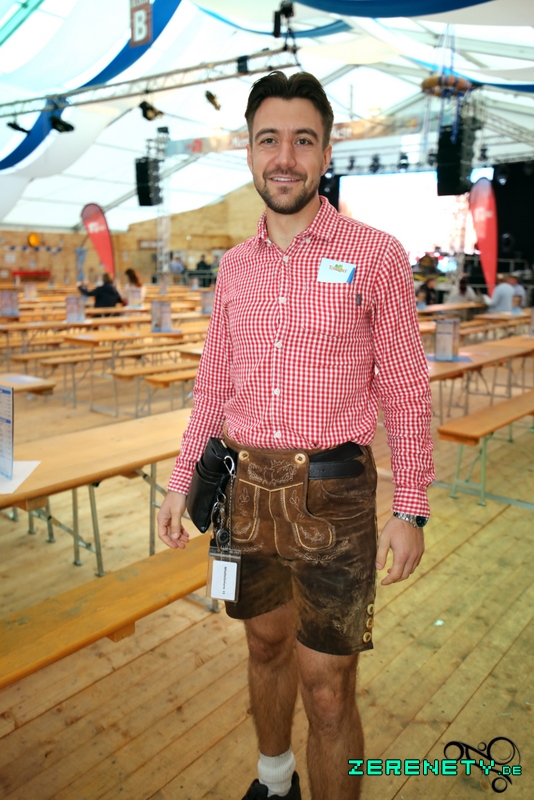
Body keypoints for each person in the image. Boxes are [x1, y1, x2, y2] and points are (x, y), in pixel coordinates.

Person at [157, 71, 435, 800]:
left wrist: (411, 509)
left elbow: (407, 390)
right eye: (269, 140)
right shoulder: (233, 267)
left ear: (327, 151)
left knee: (330, 690)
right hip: (244, 491)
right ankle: (274, 779)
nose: (285, 157)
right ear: (249, 151)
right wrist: (181, 480)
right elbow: (213, 386)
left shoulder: (376, 254)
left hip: (334, 496)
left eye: (303, 140)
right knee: (263, 642)